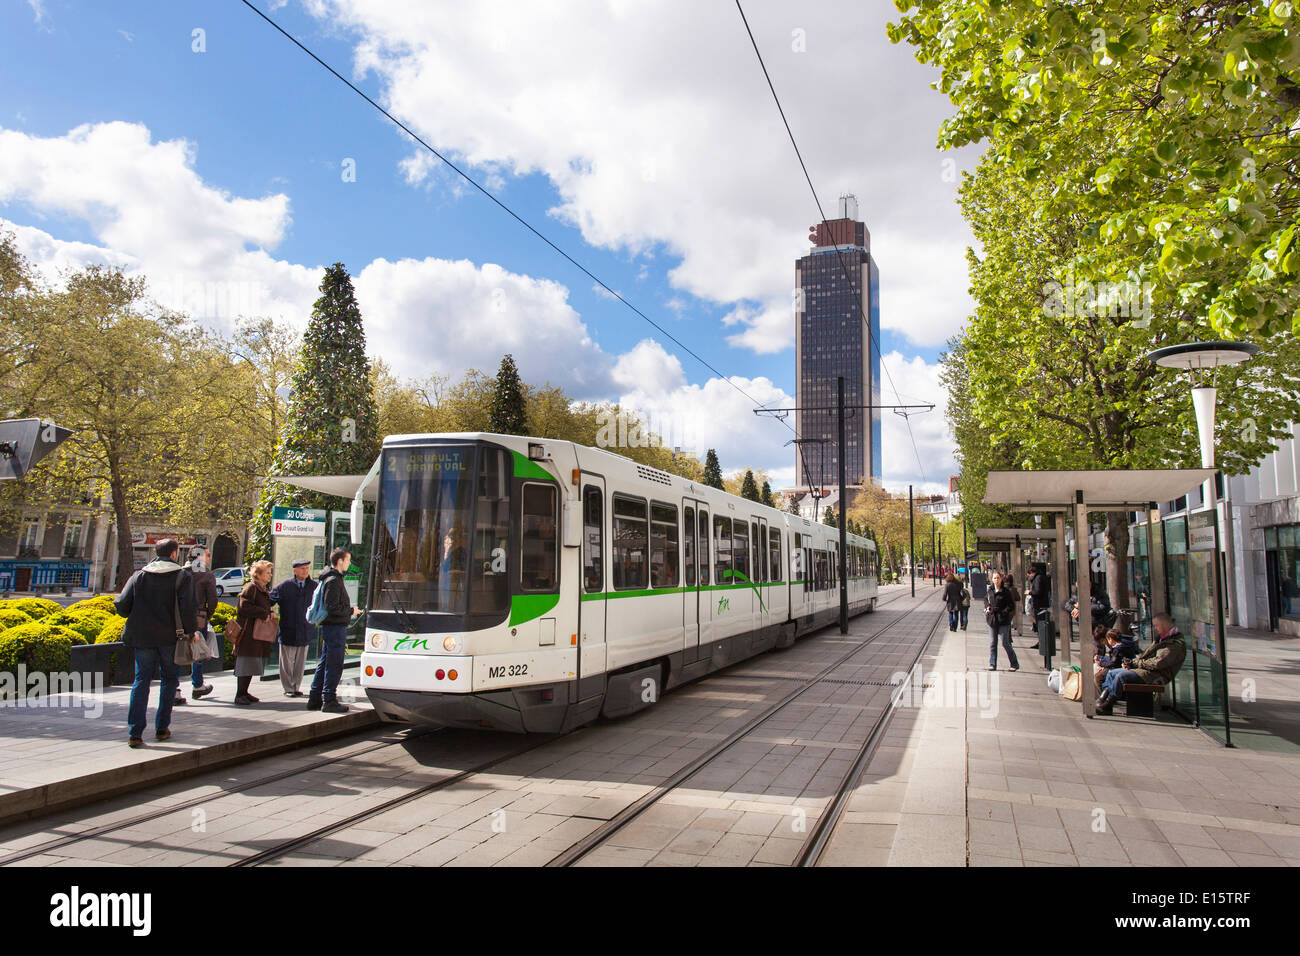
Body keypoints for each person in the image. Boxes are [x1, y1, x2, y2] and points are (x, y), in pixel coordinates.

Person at [113, 539, 199, 747]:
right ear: (173, 554)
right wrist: (191, 631)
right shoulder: (181, 577)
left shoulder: (139, 575)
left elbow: (122, 605)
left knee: (141, 681)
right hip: (170, 638)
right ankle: (162, 728)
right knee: (169, 680)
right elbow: (188, 608)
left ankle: (135, 732)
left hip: (142, 637)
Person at [1096, 612, 1186, 715]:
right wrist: (1132, 663)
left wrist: (1136, 663)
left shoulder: (1174, 644)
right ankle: (1102, 699)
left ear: (1164, 625)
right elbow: (1146, 656)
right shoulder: (1162, 639)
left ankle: (1108, 704)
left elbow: (1158, 663)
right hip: (1147, 670)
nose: (1155, 628)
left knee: (1121, 676)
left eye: (1157, 626)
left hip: (1157, 675)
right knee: (1112, 673)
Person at [309, 547, 361, 714]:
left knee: (325, 662)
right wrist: (351, 611)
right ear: (340, 561)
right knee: (334, 664)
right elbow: (332, 607)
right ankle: (329, 699)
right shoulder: (333, 580)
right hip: (335, 627)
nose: (349, 563)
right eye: (347, 560)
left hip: (331, 627)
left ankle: (315, 697)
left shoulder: (330, 578)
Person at [269, 558, 317, 697]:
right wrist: (270, 611)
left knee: (300, 662)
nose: (305, 571)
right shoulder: (285, 586)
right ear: (295, 571)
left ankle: (296, 686)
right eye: (302, 568)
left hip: (305, 629)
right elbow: (270, 600)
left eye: (307, 568)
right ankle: (288, 688)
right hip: (288, 629)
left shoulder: (313, 586)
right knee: (287, 662)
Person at [233, 560, 276, 706]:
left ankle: (244, 692)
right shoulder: (251, 588)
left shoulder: (261, 589)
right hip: (248, 634)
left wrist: (269, 611)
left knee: (251, 663)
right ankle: (240, 694)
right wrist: (264, 613)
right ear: (258, 574)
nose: (270, 575)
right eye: (267, 573)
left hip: (256, 634)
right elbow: (244, 607)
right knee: (245, 663)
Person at [185, 545, 217, 701]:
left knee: (178, 649)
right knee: (197, 651)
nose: (210, 557)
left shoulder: (181, 572)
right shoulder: (206, 574)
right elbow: (212, 601)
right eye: (208, 555)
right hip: (199, 616)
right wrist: (206, 615)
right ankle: (197, 685)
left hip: (181, 616)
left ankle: (175, 689)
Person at [985, 571, 1019, 672]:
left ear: (1001, 579)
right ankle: (992, 664)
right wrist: (987, 607)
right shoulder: (990, 590)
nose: (996, 580)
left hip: (1003, 620)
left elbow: (1011, 605)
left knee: (1005, 643)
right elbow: (985, 600)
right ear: (992, 579)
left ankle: (1014, 663)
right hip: (992, 619)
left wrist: (1004, 612)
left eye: (998, 578)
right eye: (995, 578)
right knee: (992, 643)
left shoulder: (1006, 591)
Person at [1027, 565, 1050, 650]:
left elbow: (1037, 591)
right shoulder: (1041, 577)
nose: (1029, 576)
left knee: (1040, 623)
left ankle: (1042, 642)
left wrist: (1030, 592)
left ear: (1032, 573)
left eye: (1029, 574)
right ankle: (1041, 642)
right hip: (1041, 604)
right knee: (1040, 623)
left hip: (1039, 604)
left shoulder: (1038, 579)